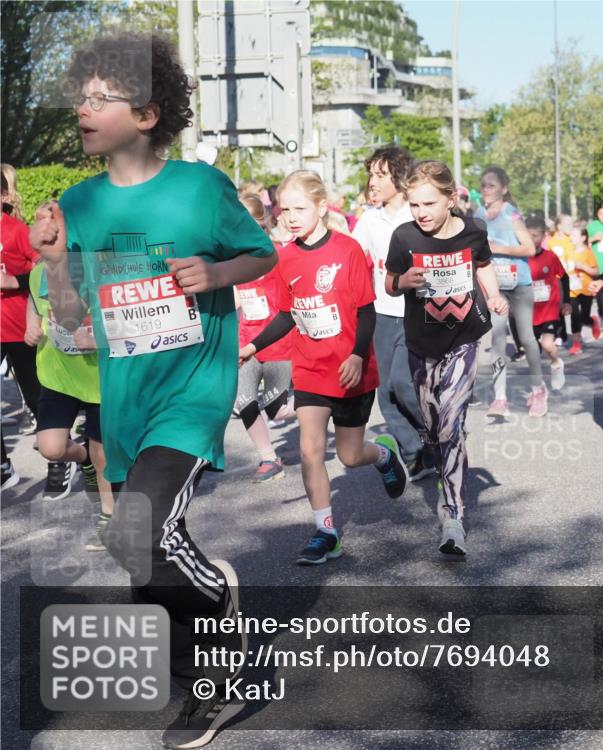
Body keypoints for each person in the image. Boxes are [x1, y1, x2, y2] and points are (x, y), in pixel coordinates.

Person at [33, 31, 277, 748]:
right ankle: (198, 656)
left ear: (147, 113)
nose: (83, 108)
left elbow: (260, 253)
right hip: (124, 399)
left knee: (139, 530)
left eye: (101, 98)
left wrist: (217, 273)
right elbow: (72, 324)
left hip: (193, 393)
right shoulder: (77, 205)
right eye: (81, 96)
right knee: (135, 553)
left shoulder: (201, 189)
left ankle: (214, 646)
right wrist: (53, 265)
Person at [239, 169, 408, 566]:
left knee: (349, 456)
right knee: (310, 450)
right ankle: (326, 531)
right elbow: (287, 315)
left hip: (351, 368)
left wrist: (355, 354)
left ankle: (382, 456)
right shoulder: (286, 257)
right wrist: (252, 345)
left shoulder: (348, 250)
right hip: (311, 368)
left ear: (320, 206)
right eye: (285, 210)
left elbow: (367, 313)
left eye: (300, 208)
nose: (291, 217)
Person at [385, 160, 508, 556]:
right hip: (421, 343)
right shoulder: (404, 237)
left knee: (452, 425)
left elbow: (484, 264)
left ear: (450, 200)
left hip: (463, 338)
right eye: (414, 205)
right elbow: (389, 283)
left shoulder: (473, 231)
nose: (421, 213)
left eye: (428, 204)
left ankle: (453, 516)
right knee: (436, 428)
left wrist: (492, 295)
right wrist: (402, 282)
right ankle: (443, 464)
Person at [352, 145, 435, 480]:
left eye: (381, 175)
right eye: (371, 174)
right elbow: (351, 257)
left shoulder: (415, 216)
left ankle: (439, 434)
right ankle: (417, 453)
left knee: (403, 383)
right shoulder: (369, 219)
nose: (373, 181)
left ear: (399, 179)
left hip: (416, 312)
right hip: (381, 314)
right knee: (384, 392)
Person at [26, 261, 114, 547]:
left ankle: (108, 517)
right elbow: (33, 297)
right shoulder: (44, 269)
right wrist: (30, 323)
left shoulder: (105, 264)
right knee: (51, 447)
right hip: (59, 373)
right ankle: (83, 458)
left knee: (103, 454)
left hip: (100, 377)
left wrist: (99, 338)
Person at [477, 167, 547, 418]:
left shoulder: (511, 214)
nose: (487, 189)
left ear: (504, 189)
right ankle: (500, 398)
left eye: (492, 185)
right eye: (484, 185)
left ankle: (538, 389)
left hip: (519, 285)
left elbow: (529, 248)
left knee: (527, 339)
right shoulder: (479, 215)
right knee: (497, 339)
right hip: (495, 287)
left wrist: (498, 248)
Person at [234, 193, 291, 482]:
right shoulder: (233, 257)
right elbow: (235, 297)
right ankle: (268, 458)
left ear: (260, 223)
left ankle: (322, 405)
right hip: (246, 341)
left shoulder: (278, 252)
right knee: (244, 399)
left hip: (278, 340)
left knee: (277, 410)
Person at [1, 169, 41, 490]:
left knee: (35, 395)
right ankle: (3, 468)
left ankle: (62, 456)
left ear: (3, 197)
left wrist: (13, 281)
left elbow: (45, 267)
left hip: (17, 327)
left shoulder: (17, 231)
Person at [526, 214, 570, 391]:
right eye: (528, 235)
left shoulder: (550, 257)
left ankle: (555, 364)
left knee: (547, 344)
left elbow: (564, 277)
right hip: (529, 310)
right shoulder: (520, 258)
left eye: (535, 235)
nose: (531, 239)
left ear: (543, 236)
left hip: (549, 309)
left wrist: (566, 302)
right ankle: (537, 386)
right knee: (533, 350)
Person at [565, 221, 603, 355]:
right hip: (572, 288)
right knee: (574, 315)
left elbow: (596, 271)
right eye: (571, 235)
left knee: (583, 316)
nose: (571, 238)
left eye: (574, 235)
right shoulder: (568, 252)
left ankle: (592, 321)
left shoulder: (588, 252)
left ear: (583, 238)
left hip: (586, 288)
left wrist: (583, 267)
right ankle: (576, 344)